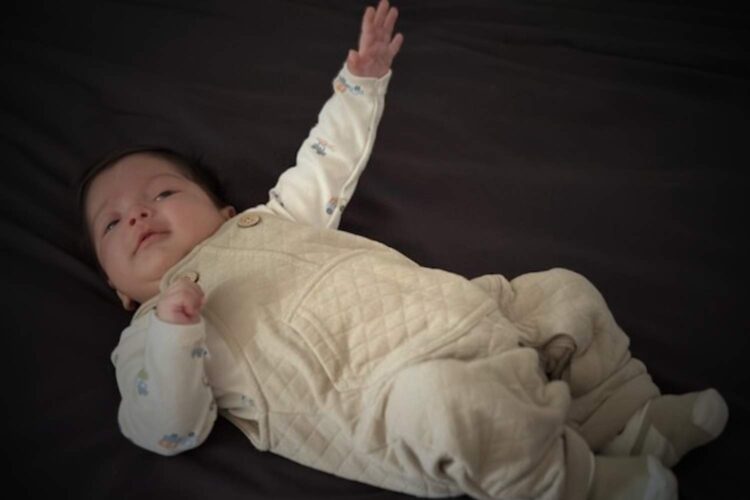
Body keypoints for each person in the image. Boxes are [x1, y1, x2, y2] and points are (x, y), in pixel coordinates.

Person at [78, 2, 727, 499]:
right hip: (387, 403)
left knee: (564, 293)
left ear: (224, 211)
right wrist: (173, 335)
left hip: (463, 311)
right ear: (119, 290)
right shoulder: (148, 335)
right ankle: (579, 484)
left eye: (163, 192)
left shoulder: (266, 222)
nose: (137, 213)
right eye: (112, 224)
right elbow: (166, 427)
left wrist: (361, 85)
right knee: (463, 409)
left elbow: (326, 164)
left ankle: (627, 418)